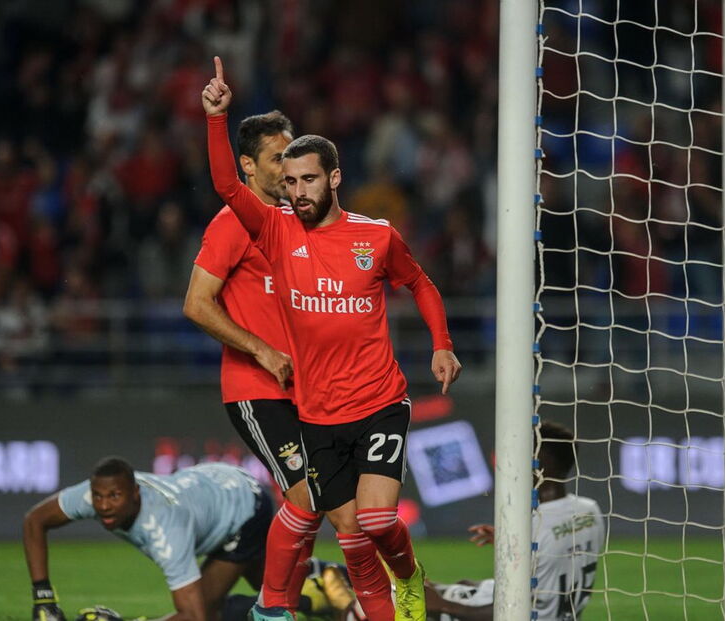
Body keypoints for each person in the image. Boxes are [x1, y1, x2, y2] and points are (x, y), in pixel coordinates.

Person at [201, 56, 462, 621]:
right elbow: (226, 183)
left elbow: (419, 282)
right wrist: (216, 118)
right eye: (289, 181)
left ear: (334, 178)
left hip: (377, 402)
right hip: (316, 414)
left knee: (373, 522)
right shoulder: (272, 230)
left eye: (308, 179)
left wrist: (441, 343)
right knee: (350, 536)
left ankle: (410, 577)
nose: (297, 190)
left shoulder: (375, 235)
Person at [182, 109, 322, 617]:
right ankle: (273, 607)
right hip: (256, 387)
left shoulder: (294, 222)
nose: (287, 167)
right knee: (306, 495)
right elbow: (196, 303)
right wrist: (260, 348)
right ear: (247, 166)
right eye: (277, 157)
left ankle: (278, 599)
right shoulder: (231, 223)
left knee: (319, 502)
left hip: (306, 386)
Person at [23, 456, 274, 621]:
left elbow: (193, 617)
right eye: (98, 496)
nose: (104, 505)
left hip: (244, 505)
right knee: (269, 583)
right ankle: (308, 583)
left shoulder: (164, 530)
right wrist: (43, 597)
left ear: (135, 493)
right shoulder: (90, 496)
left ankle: (286, 598)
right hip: (211, 485)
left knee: (207, 612)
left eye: (114, 496)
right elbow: (34, 521)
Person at [424, 421, 605, 621]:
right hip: (563, 614)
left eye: (519, 454)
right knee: (464, 584)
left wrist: (443, 606)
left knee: (408, 601)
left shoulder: (535, 526)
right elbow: (560, 553)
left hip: (530, 616)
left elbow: (510, 615)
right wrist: (516, 544)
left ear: (541, 465)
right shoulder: (589, 510)